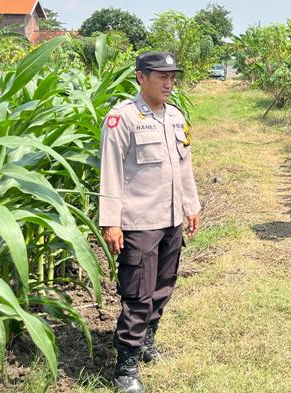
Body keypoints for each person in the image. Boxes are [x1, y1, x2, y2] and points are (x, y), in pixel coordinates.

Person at [99, 51, 201, 392]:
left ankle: (146, 342)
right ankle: (125, 368)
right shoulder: (122, 119)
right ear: (141, 77)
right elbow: (110, 173)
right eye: (162, 76)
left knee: (164, 287)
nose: (170, 83)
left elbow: (183, 167)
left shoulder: (175, 117)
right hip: (139, 221)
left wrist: (191, 206)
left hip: (171, 219)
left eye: (173, 76)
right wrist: (111, 222)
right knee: (138, 294)